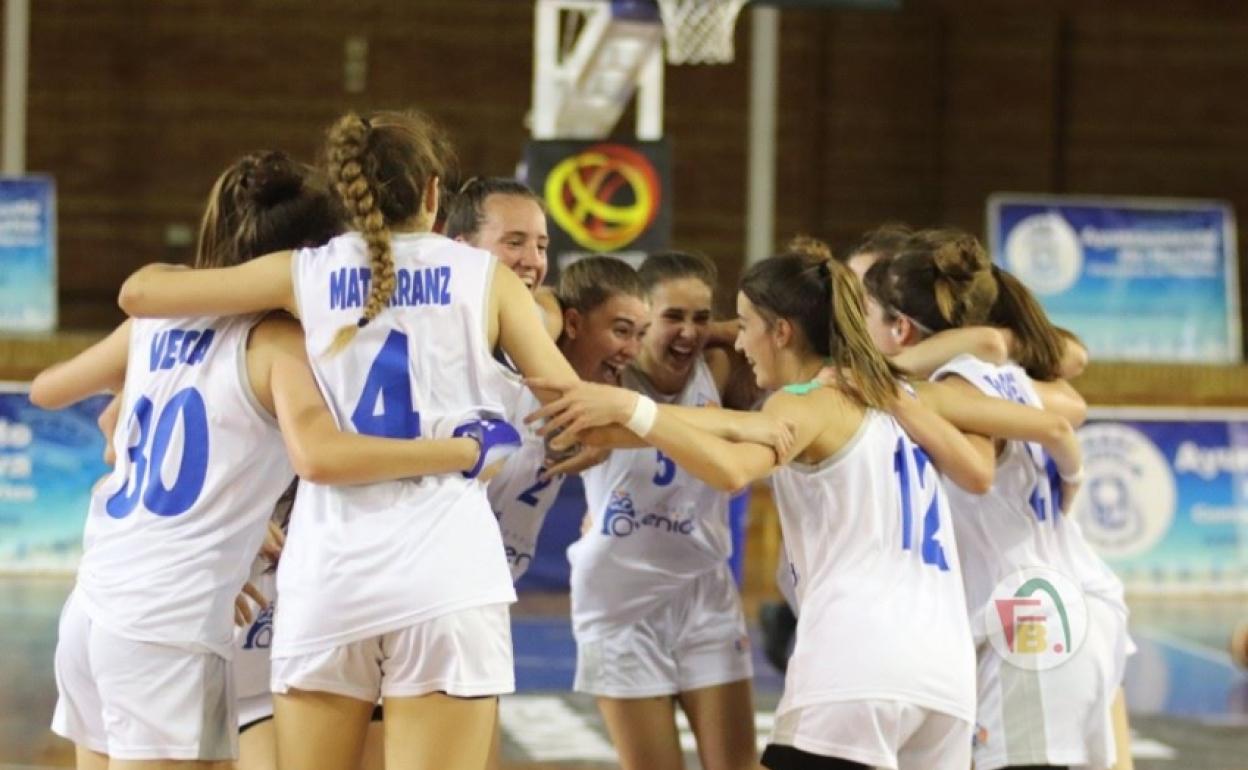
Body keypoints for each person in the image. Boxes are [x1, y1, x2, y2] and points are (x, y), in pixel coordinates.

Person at [117, 110, 582, 770]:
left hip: (327, 574)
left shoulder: (302, 273)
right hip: (445, 575)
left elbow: (140, 293)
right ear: (431, 193)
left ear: (344, 195)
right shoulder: (488, 280)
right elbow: (571, 407)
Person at [36, 150, 516, 770]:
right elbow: (320, 452)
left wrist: (130, 398)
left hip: (94, 604)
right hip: (168, 620)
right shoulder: (280, 346)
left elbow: (55, 395)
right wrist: (465, 450)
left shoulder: (155, 323)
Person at [527, 248, 990, 769]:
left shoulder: (802, 400)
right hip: (945, 675)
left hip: (859, 663)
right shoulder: (900, 394)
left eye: (743, 325)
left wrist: (633, 411)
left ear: (782, 331)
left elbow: (731, 468)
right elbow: (982, 467)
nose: (735, 338)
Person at [861, 229, 1133, 770]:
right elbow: (1062, 411)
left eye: (862, 310)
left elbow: (986, 464)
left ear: (900, 327)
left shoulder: (956, 392)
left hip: (1026, 624)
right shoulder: (1002, 377)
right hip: (1056, 607)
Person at [550, 251, 823, 770]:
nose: (690, 333)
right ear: (641, 319)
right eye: (673, 317)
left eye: (701, 318)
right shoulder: (609, 378)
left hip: (704, 593)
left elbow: (750, 335)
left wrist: (717, 332)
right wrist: (725, 424)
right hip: (620, 604)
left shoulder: (719, 368)